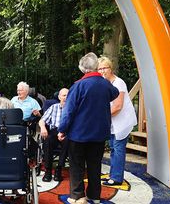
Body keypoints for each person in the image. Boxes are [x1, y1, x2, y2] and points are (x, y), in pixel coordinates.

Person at [58, 53, 119, 204]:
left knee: (76, 165)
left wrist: (62, 129)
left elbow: (69, 111)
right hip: (99, 134)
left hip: (78, 134)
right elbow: (115, 93)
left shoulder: (78, 85)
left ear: (83, 69)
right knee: (94, 165)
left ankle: (78, 196)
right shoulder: (105, 84)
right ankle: (94, 196)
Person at [98, 56, 137, 186]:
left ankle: (116, 178)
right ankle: (113, 175)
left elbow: (118, 106)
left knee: (118, 149)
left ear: (111, 68)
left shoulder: (118, 83)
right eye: (100, 69)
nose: (103, 71)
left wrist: (102, 117)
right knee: (114, 149)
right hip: (114, 122)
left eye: (105, 68)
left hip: (122, 122)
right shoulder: (106, 84)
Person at [38, 88, 69, 182]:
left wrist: (63, 132)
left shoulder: (73, 108)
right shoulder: (54, 107)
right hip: (54, 131)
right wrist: (43, 127)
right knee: (47, 140)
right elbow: (42, 120)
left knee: (68, 142)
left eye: (67, 95)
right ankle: (48, 170)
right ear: (59, 97)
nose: (66, 97)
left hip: (67, 133)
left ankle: (59, 169)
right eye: (63, 95)